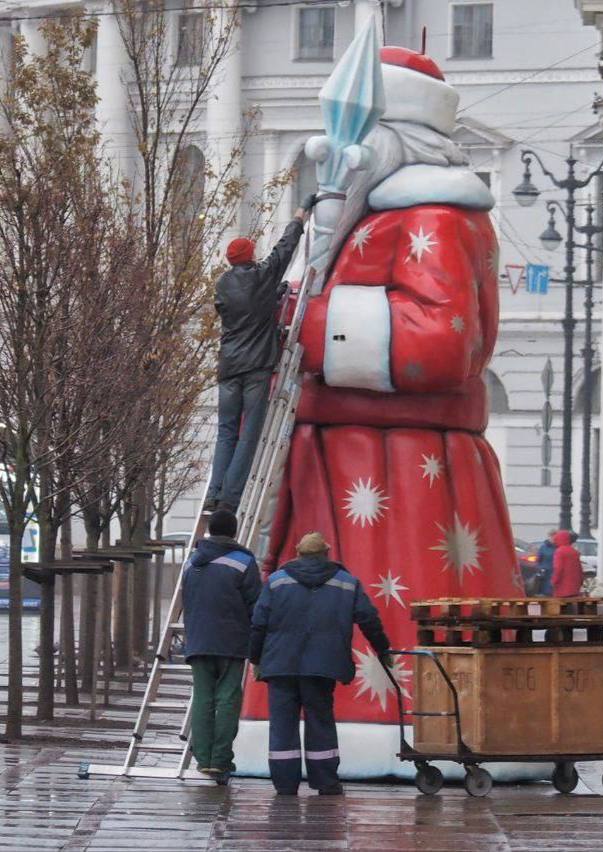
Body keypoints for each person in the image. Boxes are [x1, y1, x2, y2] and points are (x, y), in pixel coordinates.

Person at [249, 531, 391, 796]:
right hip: (323, 666)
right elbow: (369, 619)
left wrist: (256, 659)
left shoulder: (276, 582)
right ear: (326, 554)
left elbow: (259, 624)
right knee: (320, 721)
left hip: (280, 665)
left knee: (282, 725)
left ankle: (285, 784)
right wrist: (383, 650)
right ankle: (325, 781)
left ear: (298, 553)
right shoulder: (347, 583)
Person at [204, 195, 315, 513]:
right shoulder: (262, 276)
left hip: (229, 366)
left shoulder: (223, 284)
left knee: (226, 431)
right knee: (249, 432)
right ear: (250, 255)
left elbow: (243, 308)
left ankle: (215, 490)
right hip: (256, 367)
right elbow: (285, 248)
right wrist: (301, 214)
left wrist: (271, 296)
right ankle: (231, 497)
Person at [182, 509, 262, 776]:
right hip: (231, 641)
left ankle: (203, 759)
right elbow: (256, 605)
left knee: (202, 698)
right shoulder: (243, 562)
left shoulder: (191, 562)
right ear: (234, 531)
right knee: (227, 699)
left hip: (198, 640)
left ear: (210, 530)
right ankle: (220, 759)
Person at [551, 529, 584, 598]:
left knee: (561, 606)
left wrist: (554, 581)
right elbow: (579, 569)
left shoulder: (559, 552)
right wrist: (580, 581)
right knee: (572, 605)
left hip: (562, 586)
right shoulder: (574, 551)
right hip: (575, 586)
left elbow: (558, 569)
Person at [536, 530, 557, 596]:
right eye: (552, 537)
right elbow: (538, 558)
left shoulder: (558, 547)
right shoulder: (543, 547)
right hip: (545, 571)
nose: (553, 539)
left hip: (554, 570)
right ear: (549, 537)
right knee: (545, 588)